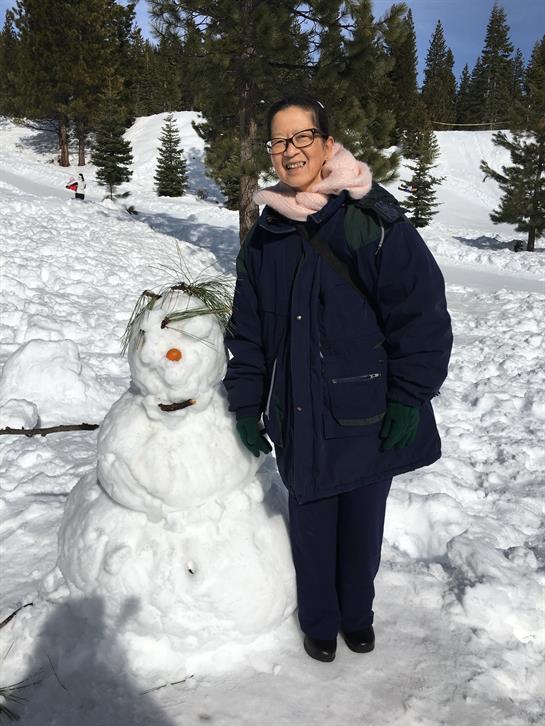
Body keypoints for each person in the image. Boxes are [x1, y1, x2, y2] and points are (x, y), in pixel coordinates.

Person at [223, 93, 453, 663]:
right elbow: (249, 333)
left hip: (367, 413)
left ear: (328, 143)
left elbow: (420, 311)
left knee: (361, 525)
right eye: (279, 141)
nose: (290, 150)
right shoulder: (266, 235)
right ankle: (320, 621)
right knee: (311, 525)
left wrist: (409, 395)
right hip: (299, 411)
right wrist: (246, 404)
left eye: (303, 137)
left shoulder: (368, 220)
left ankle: (358, 615)